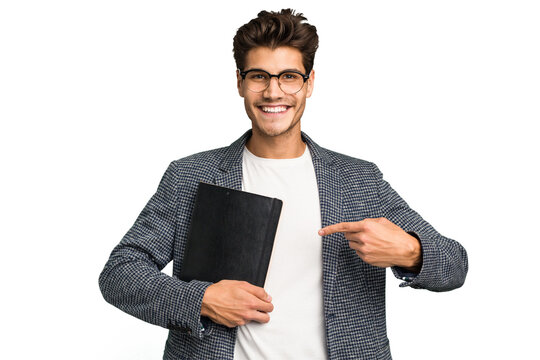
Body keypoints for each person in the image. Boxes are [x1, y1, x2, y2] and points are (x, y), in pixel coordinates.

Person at [99, 9, 468, 360]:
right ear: (240, 82)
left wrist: (410, 252)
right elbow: (120, 272)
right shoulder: (190, 175)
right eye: (259, 76)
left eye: (289, 76)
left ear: (308, 84)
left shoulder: (359, 180)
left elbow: (455, 264)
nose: (274, 92)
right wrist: (201, 300)